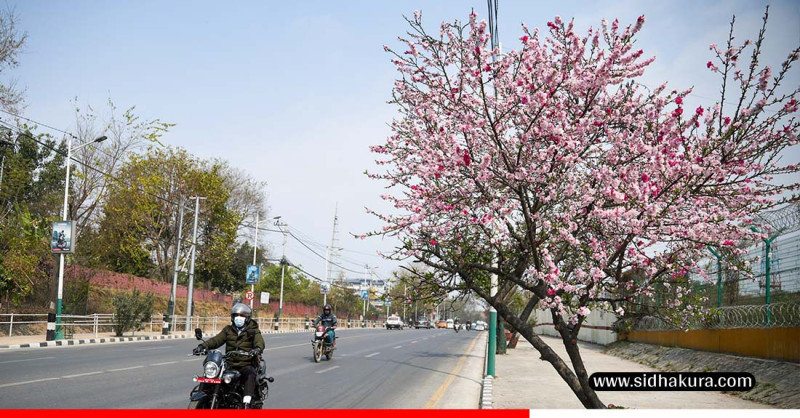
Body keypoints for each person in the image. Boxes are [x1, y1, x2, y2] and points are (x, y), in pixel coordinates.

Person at [194, 303, 264, 408]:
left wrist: (257, 349)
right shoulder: (228, 330)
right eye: (236, 315)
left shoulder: (253, 331)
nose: (238, 318)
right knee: (214, 374)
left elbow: (260, 342)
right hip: (229, 364)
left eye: (242, 316)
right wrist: (202, 346)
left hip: (246, 363)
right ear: (232, 317)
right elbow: (216, 340)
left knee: (250, 373)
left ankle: (246, 402)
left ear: (247, 318)